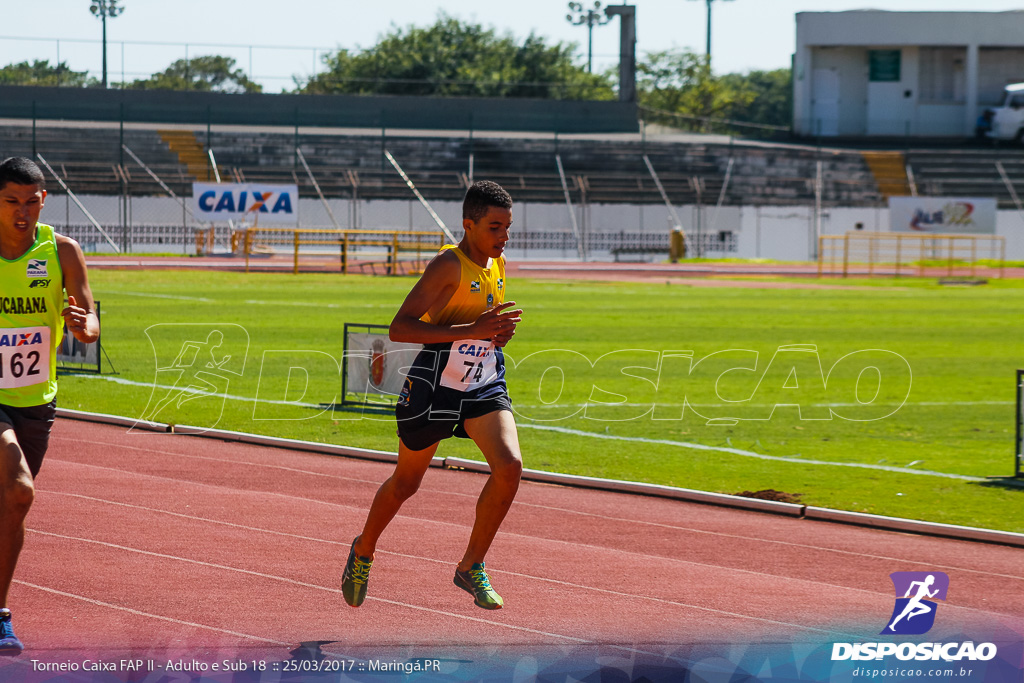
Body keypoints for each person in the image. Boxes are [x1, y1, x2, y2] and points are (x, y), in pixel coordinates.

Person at [342, 180, 523, 610]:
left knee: (510, 466)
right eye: (495, 227)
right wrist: (470, 331)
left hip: (482, 384)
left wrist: (498, 335)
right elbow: (399, 327)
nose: (504, 236)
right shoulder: (448, 265)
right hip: (433, 386)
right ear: (469, 224)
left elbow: (483, 328)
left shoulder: (497, 265)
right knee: (407, 483)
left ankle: (471, 565)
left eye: (508, 227)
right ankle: (363, 549)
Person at [0, 157, 99, 654]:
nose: (22, 212)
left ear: (45, 201)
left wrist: (85, 326)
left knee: (10, 509)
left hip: (36, 397)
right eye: (11, 201)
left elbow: (90, 316)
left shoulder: (61, 251)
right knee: (19, 489)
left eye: (31, 202)